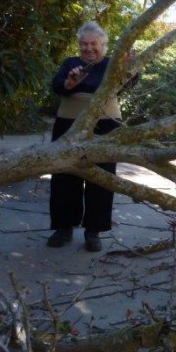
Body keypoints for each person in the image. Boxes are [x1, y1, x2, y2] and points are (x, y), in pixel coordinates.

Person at [47, 21, 123, 252]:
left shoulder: (112, 65)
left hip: (105, 124)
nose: (88, 48)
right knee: (64, 175)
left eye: (94, 44)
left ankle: (94, 231)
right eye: (84, 44)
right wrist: (70, 82)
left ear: (103, 45)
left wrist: (129, 68)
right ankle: (64, 227)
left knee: (101, 176)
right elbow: (57, 87)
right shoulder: (71, 63)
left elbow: (126, 83)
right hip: (68, 124)